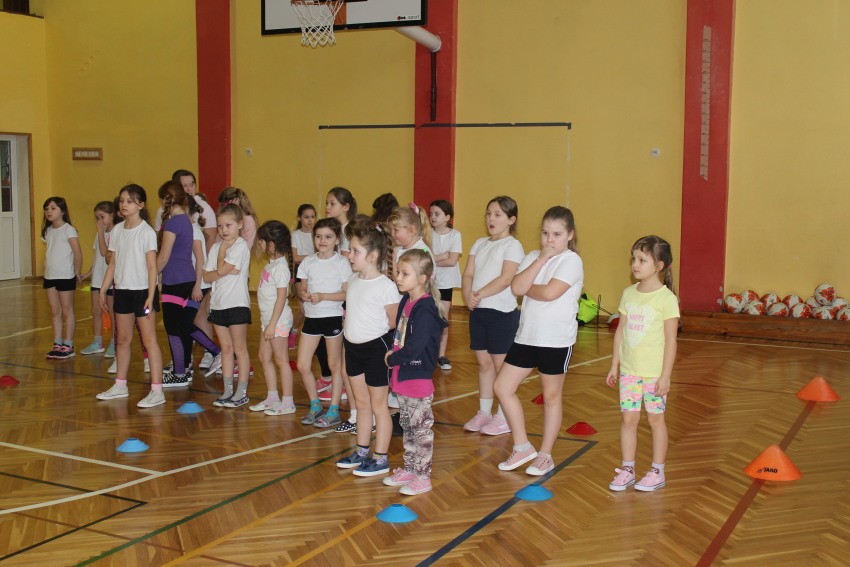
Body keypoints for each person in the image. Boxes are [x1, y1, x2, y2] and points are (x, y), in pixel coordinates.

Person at [493, 206, 584, 475]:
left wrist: (530, 289)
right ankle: (522, 446)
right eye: (545, 233)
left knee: (551, 396)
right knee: (502, 387)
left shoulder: (571, 261)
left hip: (555, 341)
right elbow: (516, 287)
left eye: (556, 234)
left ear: (570, 235)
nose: (549, 240)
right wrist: (541, 259)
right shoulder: (534, 256)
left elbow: (549, 293)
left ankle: (545, 455)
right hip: (526, 337)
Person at [606, 235, 679, 492]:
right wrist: (615, 364)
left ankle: (657, 471)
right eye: (633, 259)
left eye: (642, 260)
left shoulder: (666, 299)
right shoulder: (629, 294)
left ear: (659, 266)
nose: (635, 264)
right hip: (629, 372)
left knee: (656, 420)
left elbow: (671, 340)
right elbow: (620, 332)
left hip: (653, 374)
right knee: (628, 419)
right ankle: (628, 469)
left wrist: (665, 376)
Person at [335, 219, 400, 476]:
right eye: (350, 250)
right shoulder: (353, 281)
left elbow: (394, 322)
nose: (350, 255)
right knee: (361, 403)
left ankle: (380, 457)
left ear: (372, 255)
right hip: (353, 349)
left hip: (376, 350)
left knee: (378, 405)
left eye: (355, 251)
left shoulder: (386, 286)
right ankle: (362, 451)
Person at [382, 250, 448, 495]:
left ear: (422, 278)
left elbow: (416, 346)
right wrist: (394, 357)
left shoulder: (426, 308)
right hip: (402, 376)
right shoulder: (406, 301)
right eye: (398, 272)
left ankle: (423, 476)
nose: (398, 277)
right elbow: (400, 336)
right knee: (408, 427)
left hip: (417, 379)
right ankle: (410, 469)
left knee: (421, 431)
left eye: (404, 273)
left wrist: (392, 359)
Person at [95, 184, 166, 407]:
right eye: (122, 200)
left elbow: (152, 267)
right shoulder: (117, 230)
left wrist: (151, 295)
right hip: (122, 291)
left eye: (129, 201)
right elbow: (113, 263)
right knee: (123, 339)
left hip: (143, 292)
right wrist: (104, 288)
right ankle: (120, 385)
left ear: (141, 205)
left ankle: (157, 391)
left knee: (150, 340)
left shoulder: (146, 232)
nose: (124, 204)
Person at [462, 196, 524, 436]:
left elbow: (506, 278)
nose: (491, 218)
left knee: (501, 368)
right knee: (484, 364)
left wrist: (479, 294)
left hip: (501, 314)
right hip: (478, 312)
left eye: (498, 214)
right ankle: (485, 412)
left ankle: (504, 416)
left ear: (511, 219)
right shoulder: (479, 243)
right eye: (488, 213)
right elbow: (468, 274)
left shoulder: (512, 245)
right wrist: (468, 294)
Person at [295, 218, 351, 427]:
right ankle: (315, 406)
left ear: (337, 240)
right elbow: (303, 288)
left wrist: (324, 296)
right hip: (312, 318)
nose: (322, 240)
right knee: (302, 365)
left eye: (328, 237)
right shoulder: (308, 262)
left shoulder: (342, 263)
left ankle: (334, 410)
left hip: (332, 318)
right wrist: (305, 294)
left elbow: (346, 293)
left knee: (334, 364)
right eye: (318, 236)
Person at [204, 204, 253, 408]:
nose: (224, 230)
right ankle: (227, 390)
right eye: (220, 225)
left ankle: (241, 392)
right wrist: (221, 269)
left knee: (239, 349)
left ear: (240, 224)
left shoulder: (240, 246)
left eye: (228, 225)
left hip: (237, 304)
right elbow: (207, 276)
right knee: (225, 349)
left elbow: (220, 270)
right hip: (218, 304)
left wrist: (222, 262)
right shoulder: (216, 247)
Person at [156, 181, 203, 387]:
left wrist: (149, 275)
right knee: (182, 327)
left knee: (173, 328)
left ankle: (179, 373)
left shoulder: (173, 223)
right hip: (187, 278)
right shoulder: (186, 220)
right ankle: (184, 367)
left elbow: (163, 257)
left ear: (165, 199)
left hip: (174, 280)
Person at [253, 220, 297, 416]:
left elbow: (281, 298)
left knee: (281, 360)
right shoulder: (272, 264)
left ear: (271, 244)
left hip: (277, 321)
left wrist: (272, 325)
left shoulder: (280, 267)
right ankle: (272, 398)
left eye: (261, 241)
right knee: (264, 357)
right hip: (269, 320)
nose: (259, 244)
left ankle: (288, 402)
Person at [42, 197, 82, 359]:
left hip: (65, 276)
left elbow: (77, 253)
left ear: (63, 211)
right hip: (49, 276)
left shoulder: (69, 230)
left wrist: (77, 271)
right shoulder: (47, 231)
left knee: (67, 310)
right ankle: (57, 343)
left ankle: (68, 345)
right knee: (55, 311)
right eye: (46, 209)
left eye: (53, 208)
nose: (49, 211)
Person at [429, 199, 462, 371]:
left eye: (437, 214)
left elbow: (452, 261)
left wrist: (433, 258)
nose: (433, 217)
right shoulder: (427, 234)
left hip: (446, 283)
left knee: (442, 319)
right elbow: (425, 259)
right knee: (427, 318)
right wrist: (442, 255)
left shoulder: (455, 235)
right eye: (431, 214)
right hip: (429, 282)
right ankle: (427, 353)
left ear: (447, 217)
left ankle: (441, 355)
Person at [80, 201, 116, 357]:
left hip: (111, 280)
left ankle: (114, 343)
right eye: (97, 218)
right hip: (97, 279)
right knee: (95, 311)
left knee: (112, 312)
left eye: (102, 217)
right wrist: (88, 273)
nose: (99, 221)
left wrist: (101, 232)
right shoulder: (99, 234)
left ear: (112, 215)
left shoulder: (116, 233)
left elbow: (104, 252)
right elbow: (97, 257)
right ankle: (97, 342)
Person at [290, 203, 317, 350]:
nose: (310, 220)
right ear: (299, 218)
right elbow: (296, 258)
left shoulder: (317, 234)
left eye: (312, 217)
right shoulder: (296, 235)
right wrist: (314, 256)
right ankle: (294, 331)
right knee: (303, 310)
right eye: (306, 217)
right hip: (301, 272)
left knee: (313, 309)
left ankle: (313, 340)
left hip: (316, 273)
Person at [325, 186, 357, 256]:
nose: (327, 207)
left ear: (345, 207)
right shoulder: (330, 228)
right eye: (326, 203)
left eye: (332, 204)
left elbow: (345, 258)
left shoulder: (348, 229)